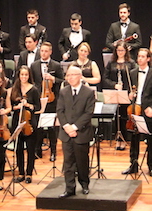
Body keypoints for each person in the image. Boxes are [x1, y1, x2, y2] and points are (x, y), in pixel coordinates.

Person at [122, 48, 152, 177]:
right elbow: (129, 90)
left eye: (143, 57)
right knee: (134, 139)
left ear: (148, 59)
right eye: (139, 56)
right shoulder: (132, 73)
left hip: (148, 111)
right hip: (135, 109)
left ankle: (151, 166)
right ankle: (133, 165)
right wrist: (130, 95)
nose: (140, 59)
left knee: (150, 139)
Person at [57, 66, 95, 198]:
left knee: (82, 161)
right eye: (68, 75)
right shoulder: (63, 92)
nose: (70, 77)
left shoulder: (89, 92)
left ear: (80, 76)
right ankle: (69, 188)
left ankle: (84, 184)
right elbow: (60, 111)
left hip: (81, 133)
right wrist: (67, 127)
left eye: (73, 75)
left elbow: (88, 113)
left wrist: (75, 127)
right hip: (66, 133)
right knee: (68, 162)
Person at [30, 42, 64, 161]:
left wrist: (53, 79)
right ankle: (37, 151)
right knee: (38, 126)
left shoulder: (56, 65)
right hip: (38, 99)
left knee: (51, 128)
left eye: (46, 51)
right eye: (42, 51)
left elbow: (62, 80)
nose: (43, 53)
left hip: (51, 99)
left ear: (50, 52)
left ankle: (53, 151)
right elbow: (32, 82)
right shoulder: (34, 65)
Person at [8, 65, 41, 184]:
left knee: (31, 149)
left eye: (26, 75)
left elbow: (38, 107)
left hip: (30, 122)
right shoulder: (14, 89)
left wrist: (28, 106)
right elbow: (10, 106)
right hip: (17, 121)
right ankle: (21, 173)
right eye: (22, 74)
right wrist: (16, 107)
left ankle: (29, 173)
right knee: (19, 149)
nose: (24, 77)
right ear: (19, 75)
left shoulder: (34, 89)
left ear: (29, 76)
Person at [102, 40, 136, 150]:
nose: (120, 52)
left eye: (122, 50)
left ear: (126, 51)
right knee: (116, 116)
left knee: (124, 117)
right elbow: (105, 78)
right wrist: (114, 85)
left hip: (126, 93)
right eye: (118, 50)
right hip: (115, 92)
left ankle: (124, 139)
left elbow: (135, 78)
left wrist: (132, 91)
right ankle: (117, 139)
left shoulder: (130, 63)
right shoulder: (111, 63)